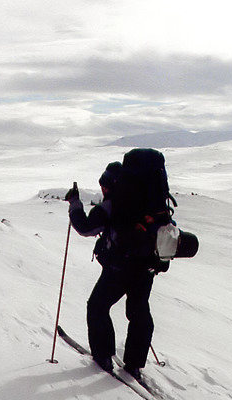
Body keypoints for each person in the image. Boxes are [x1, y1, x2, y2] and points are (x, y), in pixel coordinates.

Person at [63, 162, 162, 380]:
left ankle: (104, 357)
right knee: (138, 312)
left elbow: (86, 227)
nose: (103, 190)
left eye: (104, 186)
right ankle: (134, 365)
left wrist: (74, 203)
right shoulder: (148, 202)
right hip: (146, 267)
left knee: (98, 306)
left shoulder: (112, 205)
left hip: (119, 268)